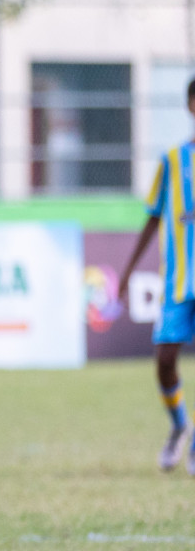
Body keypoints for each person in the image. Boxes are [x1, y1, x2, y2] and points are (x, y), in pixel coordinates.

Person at [120, 76, 195, 473]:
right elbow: (152, 218)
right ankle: (180, 426)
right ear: (190, 106)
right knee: (165, 360)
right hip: (179, 280)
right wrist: (128, 270)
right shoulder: (172, 160)